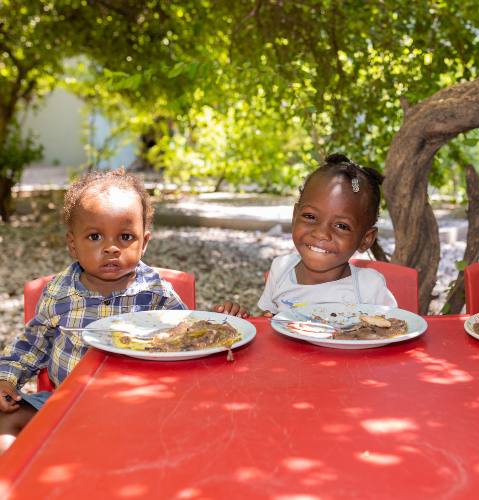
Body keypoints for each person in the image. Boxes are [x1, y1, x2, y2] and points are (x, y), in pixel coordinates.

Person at [0, 168, 186, 452]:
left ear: (144, 242)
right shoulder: (60, 293)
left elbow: (188, 335)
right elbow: (31, 346)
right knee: (5, 420)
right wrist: (7, 378)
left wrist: (225, 321)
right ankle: (14, 483)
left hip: (138, 405)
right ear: (73, 245)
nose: (111, 248)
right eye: (95, 237)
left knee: (180, 429)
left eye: (125, 237)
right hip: (65, 403)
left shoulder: (156, 293)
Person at [214, 153, 396, 317]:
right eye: (310, 216)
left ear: (366, 240)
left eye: (341, 226)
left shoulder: (369, 287)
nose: (321, 233)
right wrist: (239, 319)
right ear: (295, 216)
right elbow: (269, 325)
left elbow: (392, 332)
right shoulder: (281, 270)